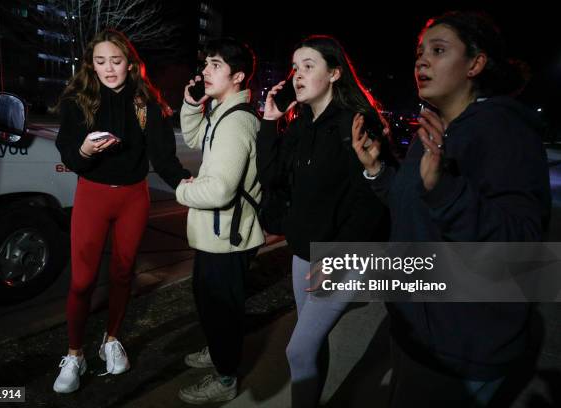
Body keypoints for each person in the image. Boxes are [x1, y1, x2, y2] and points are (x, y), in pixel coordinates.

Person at [352, 11, 551, 407]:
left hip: (460, 351)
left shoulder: (503, 132)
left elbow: (523, 251)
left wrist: (446, 191)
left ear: (475, 64)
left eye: (438, 51)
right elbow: (412, 207)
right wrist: (377, 170)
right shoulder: (437, 129)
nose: (421, 61)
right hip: (416, 333)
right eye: (419, 53)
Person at [53, 29, 190, 393]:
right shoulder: (77, 99)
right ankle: (75, 354)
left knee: (123, 273)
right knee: (82, 281)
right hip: (92, 196)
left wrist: (188, 184)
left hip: (133, 197)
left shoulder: (146, 103)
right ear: (90, 65)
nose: (109, 69)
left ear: (130, 64)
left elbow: (164, 159)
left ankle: (111, 340)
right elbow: (68, 153)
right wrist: (84, 149)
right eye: (100, 62)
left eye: (116, 61)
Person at [258, 35, 389, 408]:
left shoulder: (355, 125)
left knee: (298, 349)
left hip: (343, 254)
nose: (297, 75)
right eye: (295, 67)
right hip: (304, 250)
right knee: (310, 346)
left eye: (308, 66)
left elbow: (371, 205)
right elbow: (270, 178)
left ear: (334, 73)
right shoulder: (301, 125)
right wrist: (270, 122)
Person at [176, 37, 264, 404]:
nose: (205, 71)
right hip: (218, 234)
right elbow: (195, 138)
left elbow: (219, 192)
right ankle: (217, 350)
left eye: (215, 65)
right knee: (207, 298)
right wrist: (191, 106)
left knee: (223, 310)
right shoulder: (222, 113)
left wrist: (181, 191)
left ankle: (226, 378)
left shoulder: (235, 123)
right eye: (206, 64)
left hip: (228, 236)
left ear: (238, 76)